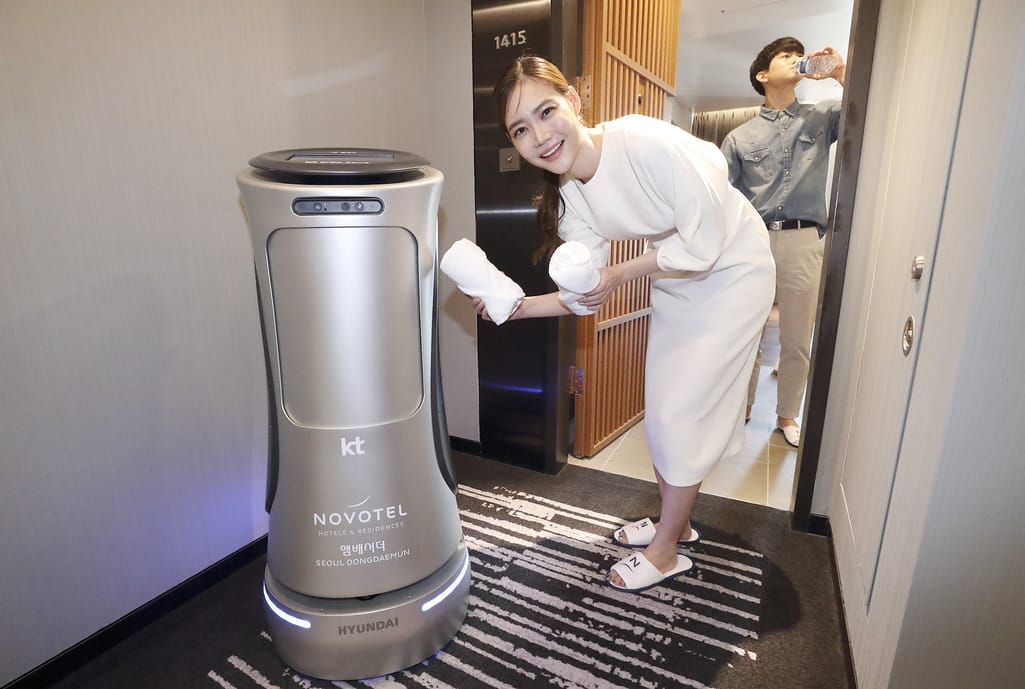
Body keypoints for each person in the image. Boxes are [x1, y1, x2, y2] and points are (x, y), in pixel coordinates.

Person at [474, 55, 775, 593]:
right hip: (677, 272)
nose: (539, 136)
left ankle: (665, 552)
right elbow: (585, 294)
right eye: (521, 129)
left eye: (547, 111)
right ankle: (674, 525)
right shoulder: (571, 197)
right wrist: (515, 307)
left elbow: (702, 239)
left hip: (733, 269)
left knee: (685, 406)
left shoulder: (642, 140)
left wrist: (620, 272)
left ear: (576, 101)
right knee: (661, 404)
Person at [720, 37, 845, 448]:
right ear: (762, 74)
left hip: (803, 238)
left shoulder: (822, 115)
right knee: (747, 334)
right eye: (784, 56)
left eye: (798, 55)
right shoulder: (739, 138)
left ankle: (787, 415)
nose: (795, 60)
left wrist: (840, 73)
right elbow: (726, 200)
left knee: (796, 338)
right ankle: (744, 408)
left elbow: (866, 114)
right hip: (753, 241)